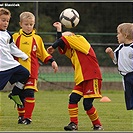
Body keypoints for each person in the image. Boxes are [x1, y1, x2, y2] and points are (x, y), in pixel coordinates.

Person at [47, 22, 103, 131]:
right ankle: (73, 124)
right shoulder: (71, 50)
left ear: (72, 35)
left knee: (87, 104)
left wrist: (54, 45)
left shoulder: (80, 39)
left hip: (92, 76)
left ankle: (98, 125)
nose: (64, 38)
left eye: (66, 35)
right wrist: (59, 30)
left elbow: (62, 41)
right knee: (73, 99)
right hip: (81, 79)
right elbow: (62, 42)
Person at [8, 12, 58, 125]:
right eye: (26, 24)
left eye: (31, 24)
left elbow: (43, 53)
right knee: (19, 96)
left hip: (32, 72)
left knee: (29, 93)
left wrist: (52, 61)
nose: (29, 26)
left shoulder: (37, 38)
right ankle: (21, 117)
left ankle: (27, 118)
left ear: (34, 24)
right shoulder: (15, 37)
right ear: (20, 24)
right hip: (18, 72)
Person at [0, 7, 30, 104]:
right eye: (3, 20)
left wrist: (24, 56)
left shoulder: (8, 35)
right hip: (1, 68)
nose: (6, 23)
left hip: (11, 64)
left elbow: (13, 48)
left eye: (7, 21)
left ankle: (15, 93)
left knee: (25, 73)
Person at [105, 23, 133, 110]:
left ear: (125, 35)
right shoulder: (120, 48)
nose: (117, 36)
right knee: (130, 100)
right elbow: (115, 60)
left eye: (118, 33)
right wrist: (110, 53)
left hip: (132, 75)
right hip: (125, 77)